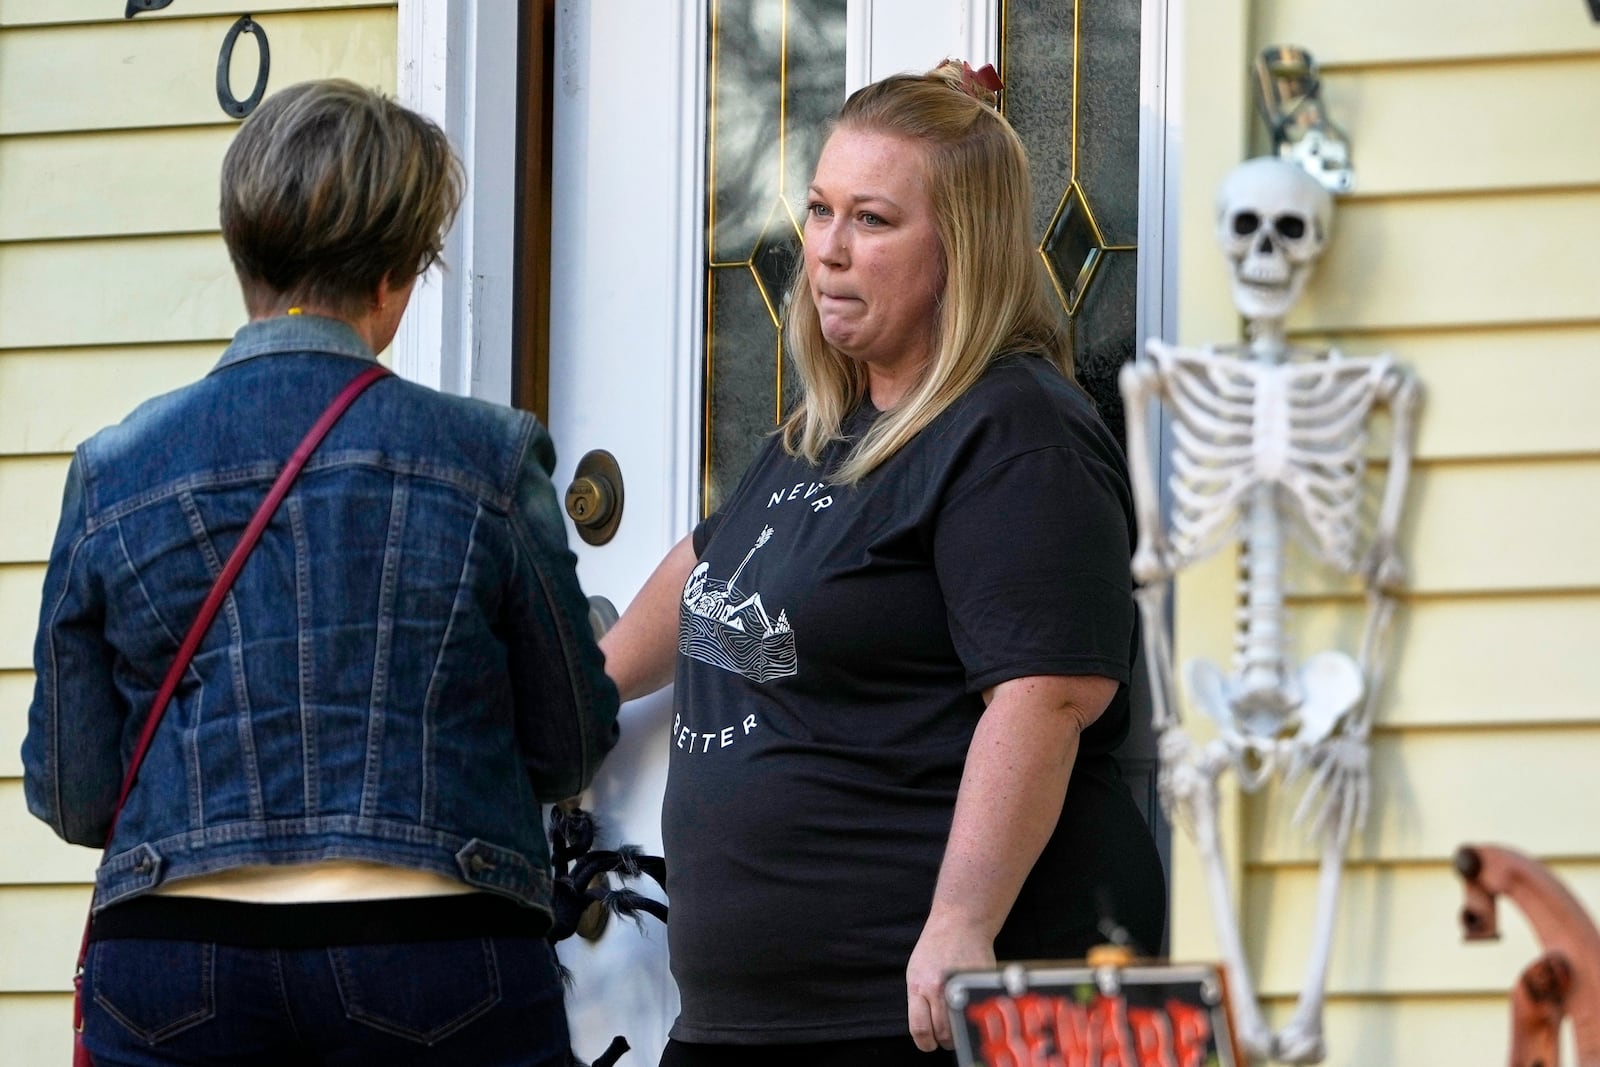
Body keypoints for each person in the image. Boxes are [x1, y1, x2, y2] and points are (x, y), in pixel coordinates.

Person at [23, 79, 619, 1067]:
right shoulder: (485, 456)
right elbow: (568, 744)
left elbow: (74, 792)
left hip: (175, 962)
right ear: (395, 274)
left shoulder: (112, 470)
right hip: (431, 952)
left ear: (241, 248)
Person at [600, 61, 1167, 1067]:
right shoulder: (825, 436)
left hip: (909, 1016)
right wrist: (575, 696)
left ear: (961, 248)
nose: (827, 249)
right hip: (752, 1024)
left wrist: (960, 921)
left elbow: (1046, 695)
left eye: (871, 219)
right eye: (819, 211)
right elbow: (703, 570)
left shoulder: (1013, 430)